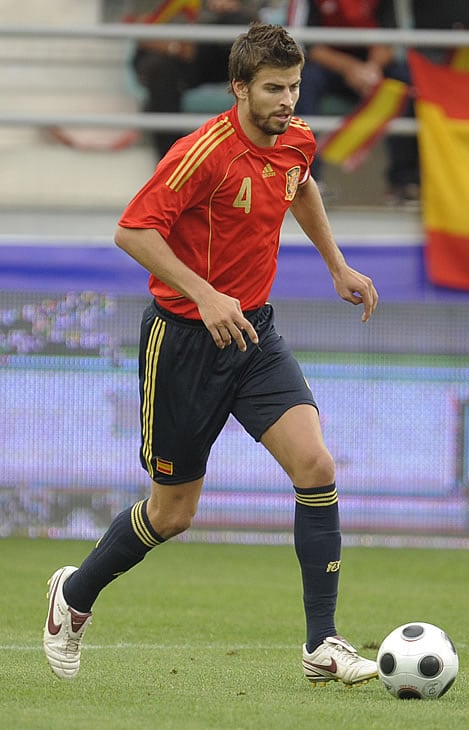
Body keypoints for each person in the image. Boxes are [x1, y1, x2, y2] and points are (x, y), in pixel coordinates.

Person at [43, 21, 379, 687]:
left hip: (254, 335)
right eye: (274, 89)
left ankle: (322, 644)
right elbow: (132, 231)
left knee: (315, 463)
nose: (288, 101)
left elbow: (301, 183)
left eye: (294, 86)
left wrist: (336, 264)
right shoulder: (202, 153)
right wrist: (203, 294)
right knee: (173, 513)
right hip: (185, 343)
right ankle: (73, 596)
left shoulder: (295, 139)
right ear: (239, 89)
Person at [288, 0, 420, 203]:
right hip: (326, 63)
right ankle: (308, 182)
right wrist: (351, 68)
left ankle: (404, 183)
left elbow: (390, 40)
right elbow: (306, 46)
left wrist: (371, 68)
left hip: (372, 64)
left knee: (406, 81)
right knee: (300, 83)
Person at [127, 0, 260, 160]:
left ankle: (258, 158)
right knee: (160, 72)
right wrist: (174, 47)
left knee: (246, 35)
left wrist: (234, 8)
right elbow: (138, 27)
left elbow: (258, 24)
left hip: (213, 48)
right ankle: (173, 168)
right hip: (165, 53)